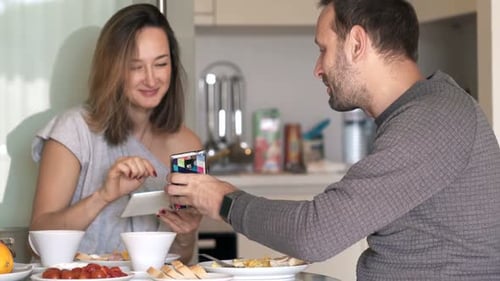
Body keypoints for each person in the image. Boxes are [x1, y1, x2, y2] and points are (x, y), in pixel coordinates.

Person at [166, 0, 500, 279]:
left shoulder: (433, 118)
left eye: (323, 49)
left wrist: (225, 201)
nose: (318, 68)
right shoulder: (424, 113)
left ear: (357, 43)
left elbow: (314, 233)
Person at [30, 3, 202, 263]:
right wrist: (104, 196)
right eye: (135, 67)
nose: (151, 79)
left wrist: (187, 233)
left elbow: (181, 260)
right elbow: (38, 241)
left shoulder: (187, 145)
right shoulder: (73, 130)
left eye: (161, 64)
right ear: (113, 68)